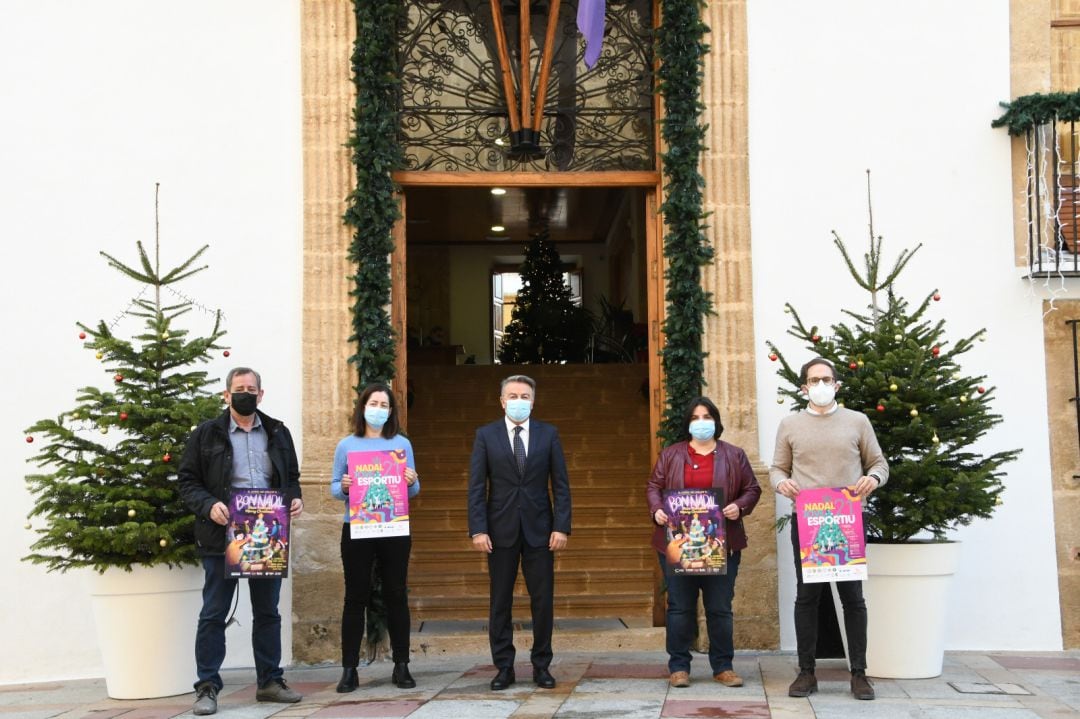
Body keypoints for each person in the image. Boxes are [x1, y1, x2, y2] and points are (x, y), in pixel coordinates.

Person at [177, 367, 304, 715]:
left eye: (251, 388)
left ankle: (270, 682)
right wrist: (209, 505)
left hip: (268, 534)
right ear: (226, 394)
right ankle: (206, 687)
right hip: (222, 535)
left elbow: (291, 476)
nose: (245, 393)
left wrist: (295, 497)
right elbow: (187, 480)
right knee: (214, 612)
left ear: (261, 394)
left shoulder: (278, 431)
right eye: (239, 388)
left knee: (267, 612)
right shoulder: (206, 434)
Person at [770, 357, 889, 701]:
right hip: (808, 519)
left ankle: (859, 674)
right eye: (813, 380)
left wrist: (873, 478)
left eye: (826, 379)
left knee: (852, 598)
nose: (819, 385)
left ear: (836, 385)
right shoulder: (790, 424)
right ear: (803, 387)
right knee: (808, 597)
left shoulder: (857, 421)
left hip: (848, 518)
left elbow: (879, 462)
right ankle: (806, 672)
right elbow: (778, 468)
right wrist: (782, 485)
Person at [646, 397, 762, 689]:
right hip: (677, 544)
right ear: (688, 424)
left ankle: (723, 667)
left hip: (723, 545)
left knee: (720, 608)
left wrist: (739, 506)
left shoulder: (734, 455)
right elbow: (654, 487)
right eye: (695, 417)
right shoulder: (671, 455)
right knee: (680, 608)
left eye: (707, 416)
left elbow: (752, 488)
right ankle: (679, 667)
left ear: (716, 420)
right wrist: (657, 510)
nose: (701, 422)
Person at [467, 374, 572, 691]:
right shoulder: (486, 435)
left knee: (543, 601)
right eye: (512, 396)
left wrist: (561, 526)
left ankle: (542, 665)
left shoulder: (548, 434)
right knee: (500, 601)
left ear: (533, 400)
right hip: (499, 532)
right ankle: (504, 667)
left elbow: (562, 486)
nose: (518, 401)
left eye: (524, 396)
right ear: (501, 401)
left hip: (541, 531)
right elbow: (476, 487)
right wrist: (478, 529)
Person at [329, 383, 421, 693]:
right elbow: (333, 488)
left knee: (396, 593)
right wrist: (343, 485)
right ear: (362, 407)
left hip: (393, 528)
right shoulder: (346, 445)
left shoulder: (401, 445)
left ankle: (402, 665)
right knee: (355, 596)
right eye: (374, 403)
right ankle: (349, 669)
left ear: (391, 411)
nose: (378, 409)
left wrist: (411, 481)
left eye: (384, 404)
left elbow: (413, 491)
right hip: (357, 527)